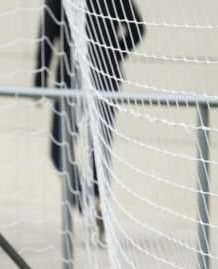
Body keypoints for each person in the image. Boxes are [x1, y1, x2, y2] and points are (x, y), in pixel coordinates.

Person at [33, 0, 145, 240]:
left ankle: (90, 202)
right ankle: (91, 201)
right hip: (97, 79)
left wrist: (39, 82)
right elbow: (137, 29)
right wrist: (113, 56)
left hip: (76, 83)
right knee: (96, 147)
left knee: (67, 149)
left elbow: (47, 37)